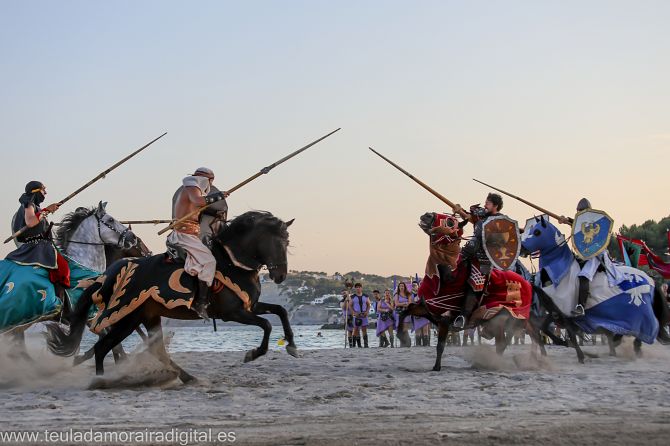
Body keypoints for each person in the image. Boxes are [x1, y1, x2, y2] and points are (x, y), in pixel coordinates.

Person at [168, 167, 229, 319]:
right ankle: (200, 303)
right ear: (207, 179)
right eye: (211, 181)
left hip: (192, 235)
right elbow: (198, 201)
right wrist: (218, 196)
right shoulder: (191, 185)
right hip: (183, 235)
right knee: (209, 262)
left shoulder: (195, 188)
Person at [6, 181, 70, 298]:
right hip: (37, 246)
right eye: (43, 189)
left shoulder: (35, 206)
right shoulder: (29, 204)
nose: (45, 192)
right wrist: (47, 210)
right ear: (35, 191)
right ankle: (59, 302)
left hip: (41, 244)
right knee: (63, 269)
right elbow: (30, 222)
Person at [452, 193, 505, 329]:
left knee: (475, 283)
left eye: (488, 203)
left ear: (495, 206)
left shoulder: (501, 221)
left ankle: (464, 316)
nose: (485, 205)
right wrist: (459, 210)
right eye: (485, 203)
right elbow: (469, 216)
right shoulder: (482, 216)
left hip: (487, 260)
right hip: (471, 256)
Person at [348, 283, 370, 348]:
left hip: (364, 314)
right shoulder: (353, 297)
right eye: (356, 287)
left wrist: (367, 311)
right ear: (355, 288)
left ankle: (366, 345)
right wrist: (354, 313)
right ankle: (353, 345)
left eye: (359, 287)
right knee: (355, 329)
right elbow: (350, 306)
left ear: (361, 288)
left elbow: (368, 304)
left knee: (364, 329)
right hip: (357, 315)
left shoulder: (366, 296)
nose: (358, 288)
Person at [411, 280, 431, 346]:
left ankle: (426, 345)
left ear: (418, 286)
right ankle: (418, 345)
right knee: (417, 331)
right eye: (413, 286)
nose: (414, 287)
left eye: (415, 285)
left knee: (425, 330)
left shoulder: (424, 294)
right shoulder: (411, 296)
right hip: (416, 315)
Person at [394, 282, 413, 347]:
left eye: (403, 286)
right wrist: (404, 304)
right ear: (399, 287)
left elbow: (410, 303)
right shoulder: (397, 295)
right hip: (399, 313)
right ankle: (403, 343)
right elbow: (396, 304)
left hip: (406, 313)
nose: (401, 287)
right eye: (400, 286)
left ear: (405, 287)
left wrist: (402, 304)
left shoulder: (408, 294)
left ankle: (407, 341)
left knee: (405, 328)